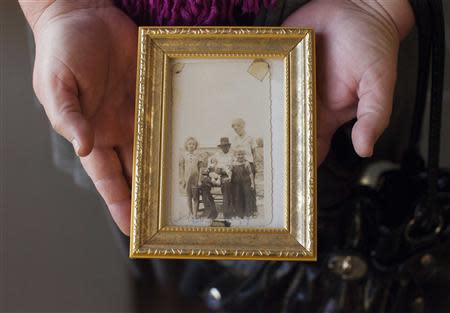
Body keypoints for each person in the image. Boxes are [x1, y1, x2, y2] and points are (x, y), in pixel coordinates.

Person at [17, 0, 415, 236]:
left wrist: (378, 6)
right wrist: (57, 8)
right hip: (116, 61)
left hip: (328, 38)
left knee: (358, 215)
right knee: (147, 213)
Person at [179, 137, 201, 218]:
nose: (191, 145)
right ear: (186, 145)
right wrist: (182, 179)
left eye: (193, 144)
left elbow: (200, 168)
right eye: (189, 144)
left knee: (195, 196)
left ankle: (195, 214)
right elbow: (181, 168)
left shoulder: (198, 155)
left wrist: (199, 180)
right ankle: (190, 213)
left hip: (195, 178)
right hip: (187, 178)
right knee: (189, 197)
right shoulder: (184, 155)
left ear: (195, 146)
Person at [231, 148, 256, 218]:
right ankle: (239, 214)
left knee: (247, 196)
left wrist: (252, 184)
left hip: (246, 183)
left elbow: (251, 174)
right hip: (237, 184)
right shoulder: (234, 163)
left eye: (242, 154)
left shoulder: (246, 163)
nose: (240, 156)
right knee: (238, 197)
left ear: (244, 155)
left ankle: (248, 213)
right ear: (236, 155)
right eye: (238, 154)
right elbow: (230, 173)